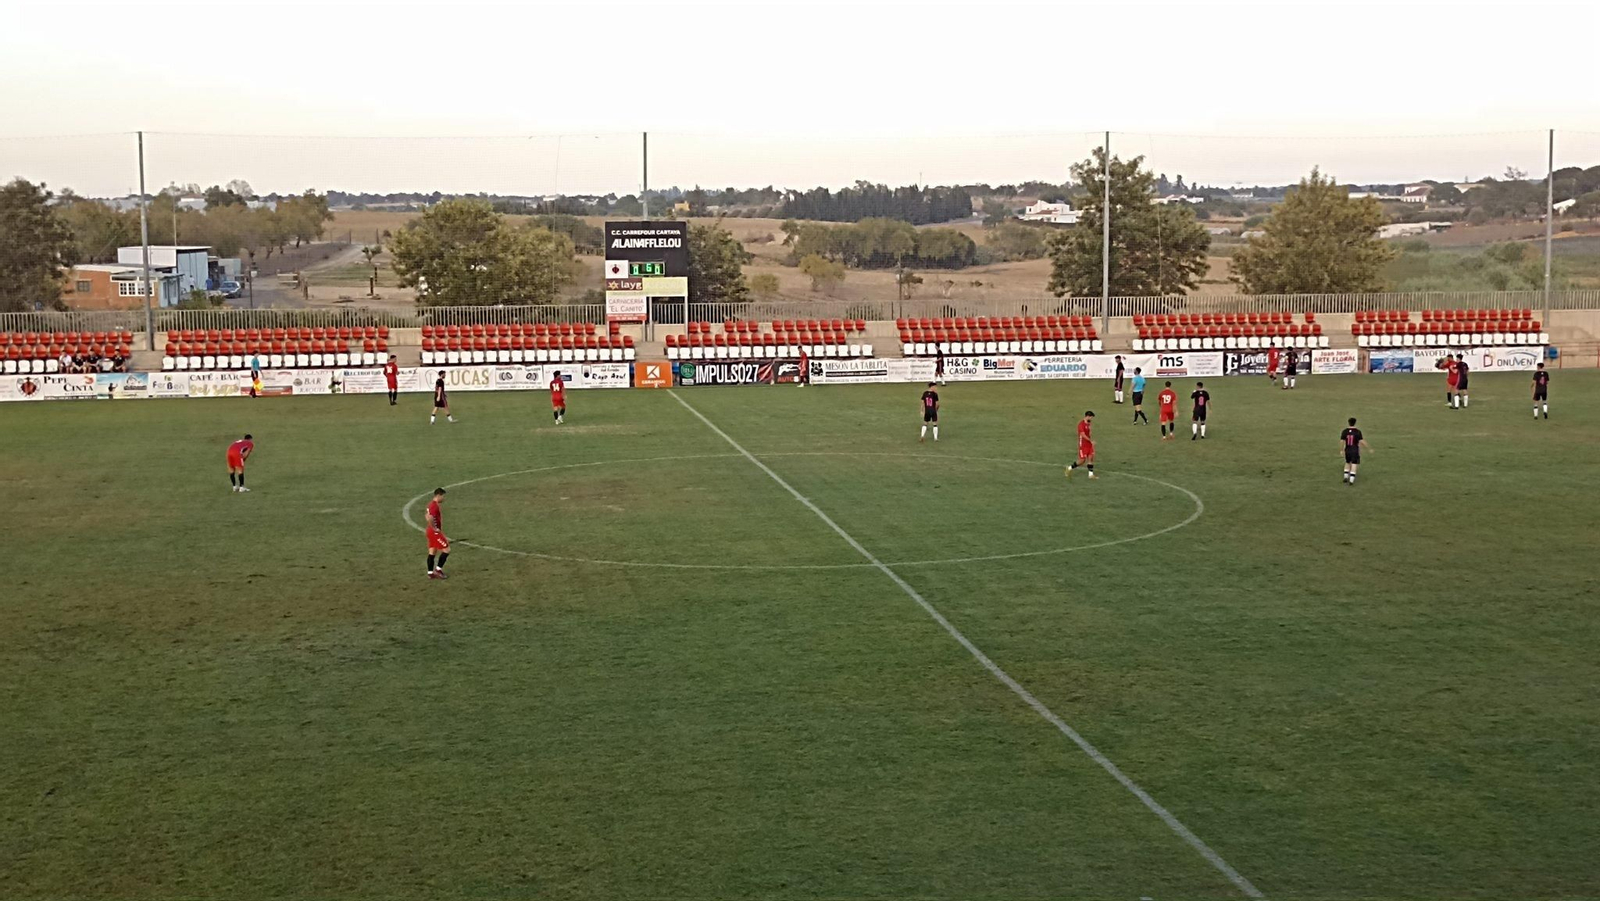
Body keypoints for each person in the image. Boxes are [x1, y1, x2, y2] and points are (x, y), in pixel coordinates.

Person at [424, 488, 451, 580]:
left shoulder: (430, 504)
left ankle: (430, 573)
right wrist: (435, 528)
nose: (443, 498)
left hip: (429, 531)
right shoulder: (434, 506)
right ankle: (438, 570)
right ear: (438, 495)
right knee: (447, 549)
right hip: (434, 532)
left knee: (432, 551)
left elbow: (426, 515)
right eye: (443, 496)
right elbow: (429, 517)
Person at [1066, 410, 1096, 479]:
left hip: (1089, 444)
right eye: (1091, 417)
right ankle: (1069, 468)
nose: (1091, 419)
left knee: (1091, 458)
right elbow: (1083, 435)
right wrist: (1091, 441)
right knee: (1082, 461)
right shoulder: (1081, 425)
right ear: (1087, 416)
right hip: (1083, 445)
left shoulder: (1088, 423)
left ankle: (1090, 475)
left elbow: (1089, 432)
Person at [1340, 417, 1369, 485]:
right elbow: (1361, 441)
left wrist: (1341, 450)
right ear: (1355, 423)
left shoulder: (1345, 431)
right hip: (1355, 450)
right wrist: (1368, 448)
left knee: (1347, 462)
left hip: (1347, 449)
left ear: (1348, 422)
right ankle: (1351, 480)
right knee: (1354, 464)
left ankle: (1345, 477)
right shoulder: (1357, 432)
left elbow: (1342, 441)